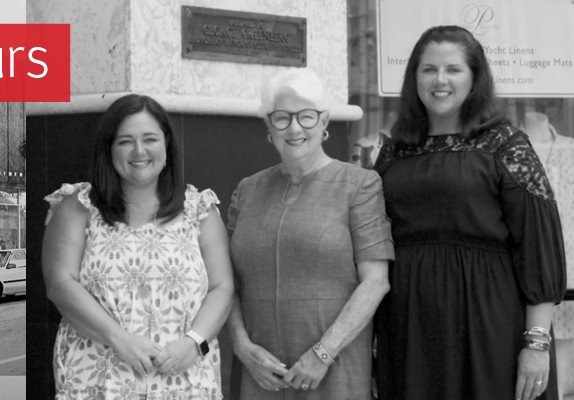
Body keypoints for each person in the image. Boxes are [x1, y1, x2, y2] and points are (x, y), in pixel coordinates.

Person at [373, 25, 567, 400]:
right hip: (408, 324)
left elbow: (538, 246)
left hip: (488, 322)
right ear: (414, 77)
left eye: (453, 69)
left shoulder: (506, 144)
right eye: (428, 69)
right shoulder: (393, 151)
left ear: (475, 78)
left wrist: (537, 344)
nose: (439, 80)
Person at [43, 94, 235, 399]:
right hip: (98, 376)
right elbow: (59, 284)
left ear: (167, 145)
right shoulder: (78, 207)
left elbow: (222, 287)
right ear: (108, 148)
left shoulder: (200, 210)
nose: (139, 151)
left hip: (184, 375)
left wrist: (194, 342)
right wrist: (119, 339)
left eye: (150, 139)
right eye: (125, 141)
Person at [226, 68, 394, 399]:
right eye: (282, 117)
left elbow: (376, 282)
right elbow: (225, 281)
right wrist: (242, 346)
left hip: (332, 369)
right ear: (268, 126)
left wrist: (322, 354)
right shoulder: (247, 190)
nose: (294, 128)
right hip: (260, 372)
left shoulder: (359, 185)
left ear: (324, 122)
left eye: (306, 116)